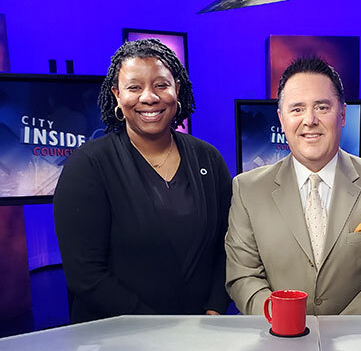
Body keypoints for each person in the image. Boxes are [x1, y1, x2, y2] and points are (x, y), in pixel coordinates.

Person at [54, 39, 231, 323]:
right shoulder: (87, 167)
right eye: (134, 87)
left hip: (200, 330)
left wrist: (214, 308)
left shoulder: (208, 159)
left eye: (161, 85)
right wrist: (158, 329)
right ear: (117, 94)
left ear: (178, 90)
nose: (149, 97)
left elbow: (228, 244)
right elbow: (86, 276)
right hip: (118, 335)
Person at [225, 56, 361, 315]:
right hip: (278, 340)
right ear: (281, 119)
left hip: (357, 340)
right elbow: (243, 276)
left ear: (343, 113)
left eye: (322, 107)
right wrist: (288, 324)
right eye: (297, 109)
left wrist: (336, 332)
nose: (310, 119)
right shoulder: (247, 189)